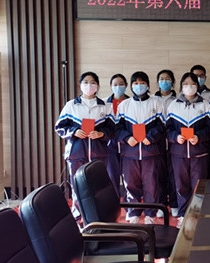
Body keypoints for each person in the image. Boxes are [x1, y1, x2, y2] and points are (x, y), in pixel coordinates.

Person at [55, 71, 113, 215]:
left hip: (98, 153)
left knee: (98, 185)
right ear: (80, 85)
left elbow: (113, 129)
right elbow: (59, 127)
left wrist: (101, 134)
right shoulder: (71, 105)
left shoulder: (105, 106)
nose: (89, 85)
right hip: (77, 153)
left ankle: (98, 214)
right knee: (77, 185)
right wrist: (73, 131)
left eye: (92, 82)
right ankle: (78, 213)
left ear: (97, 85)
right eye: (85, 82)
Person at [116, 71, 165, 224]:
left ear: (148, 85)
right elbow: (117, 128)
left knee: (151, 184)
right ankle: (133, 212)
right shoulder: (124, 105)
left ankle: (150, 213)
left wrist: (151, 137)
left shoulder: (157, 103)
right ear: (131, 86)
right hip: (129, 153)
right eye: (136, 83)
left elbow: (162, 126)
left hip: (150, 153)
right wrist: (126, 138)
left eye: (142, 83)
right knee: (131, 184)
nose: (139, 86)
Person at [165, 72, 210, 226]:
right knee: (181, 185)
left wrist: (199, 137)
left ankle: (198, 214)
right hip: (178, 153)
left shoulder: (205, 105)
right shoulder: (173, 105)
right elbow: (167, 128)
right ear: (181, 86)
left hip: (199, 153)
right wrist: (175, 137)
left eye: (192, 84)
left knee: (198, 186)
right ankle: (183, 215)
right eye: (185, 84)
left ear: (197, 86)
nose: (189, 87)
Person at [153, 70, 177, 217]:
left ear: (172, 82)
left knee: (173, 175)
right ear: (157, 82)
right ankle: (161, 204)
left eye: (168, 79)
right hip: (157, 142)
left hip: (174, 142)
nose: (164, 81)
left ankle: (174, 204)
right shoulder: (152, 100)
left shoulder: (178, 100)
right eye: (161, 79)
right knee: (158, 174)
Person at [105, 73, 129, 196]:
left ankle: (129, 201)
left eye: (121, 84)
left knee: (129, 176)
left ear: (126, 85)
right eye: (115, 84)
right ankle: (114, 201)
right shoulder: (104, 103)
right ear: (111, 86)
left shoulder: (132, 102)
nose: (118, 87)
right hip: (111, 144)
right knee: (112, 175)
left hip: (128, 143)